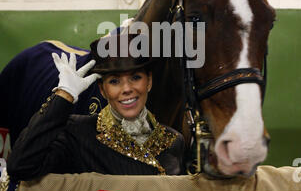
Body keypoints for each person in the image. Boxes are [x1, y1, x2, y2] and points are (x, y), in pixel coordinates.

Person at [6, 33, 185, 182]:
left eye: (136, 77)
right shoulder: (76, 134)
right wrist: (64, 95)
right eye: (114, 81)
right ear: (102, 89)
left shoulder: (174, 140)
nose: (127, 89)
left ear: (149, 82)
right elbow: (21, 166)